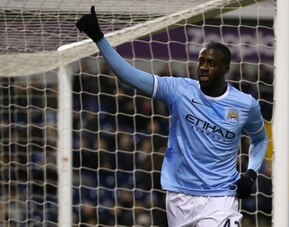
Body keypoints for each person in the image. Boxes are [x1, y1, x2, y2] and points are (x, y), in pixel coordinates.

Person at [76, 6, 268, 227]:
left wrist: (251, 174)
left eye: (211, 63)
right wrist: (99, 39)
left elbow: (260, 139)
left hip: (221, 196)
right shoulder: (179, 90)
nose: (204, 68)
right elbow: (128, 75)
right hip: (179, 195)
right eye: (202, 61)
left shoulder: (245, 104)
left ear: (226, 68)